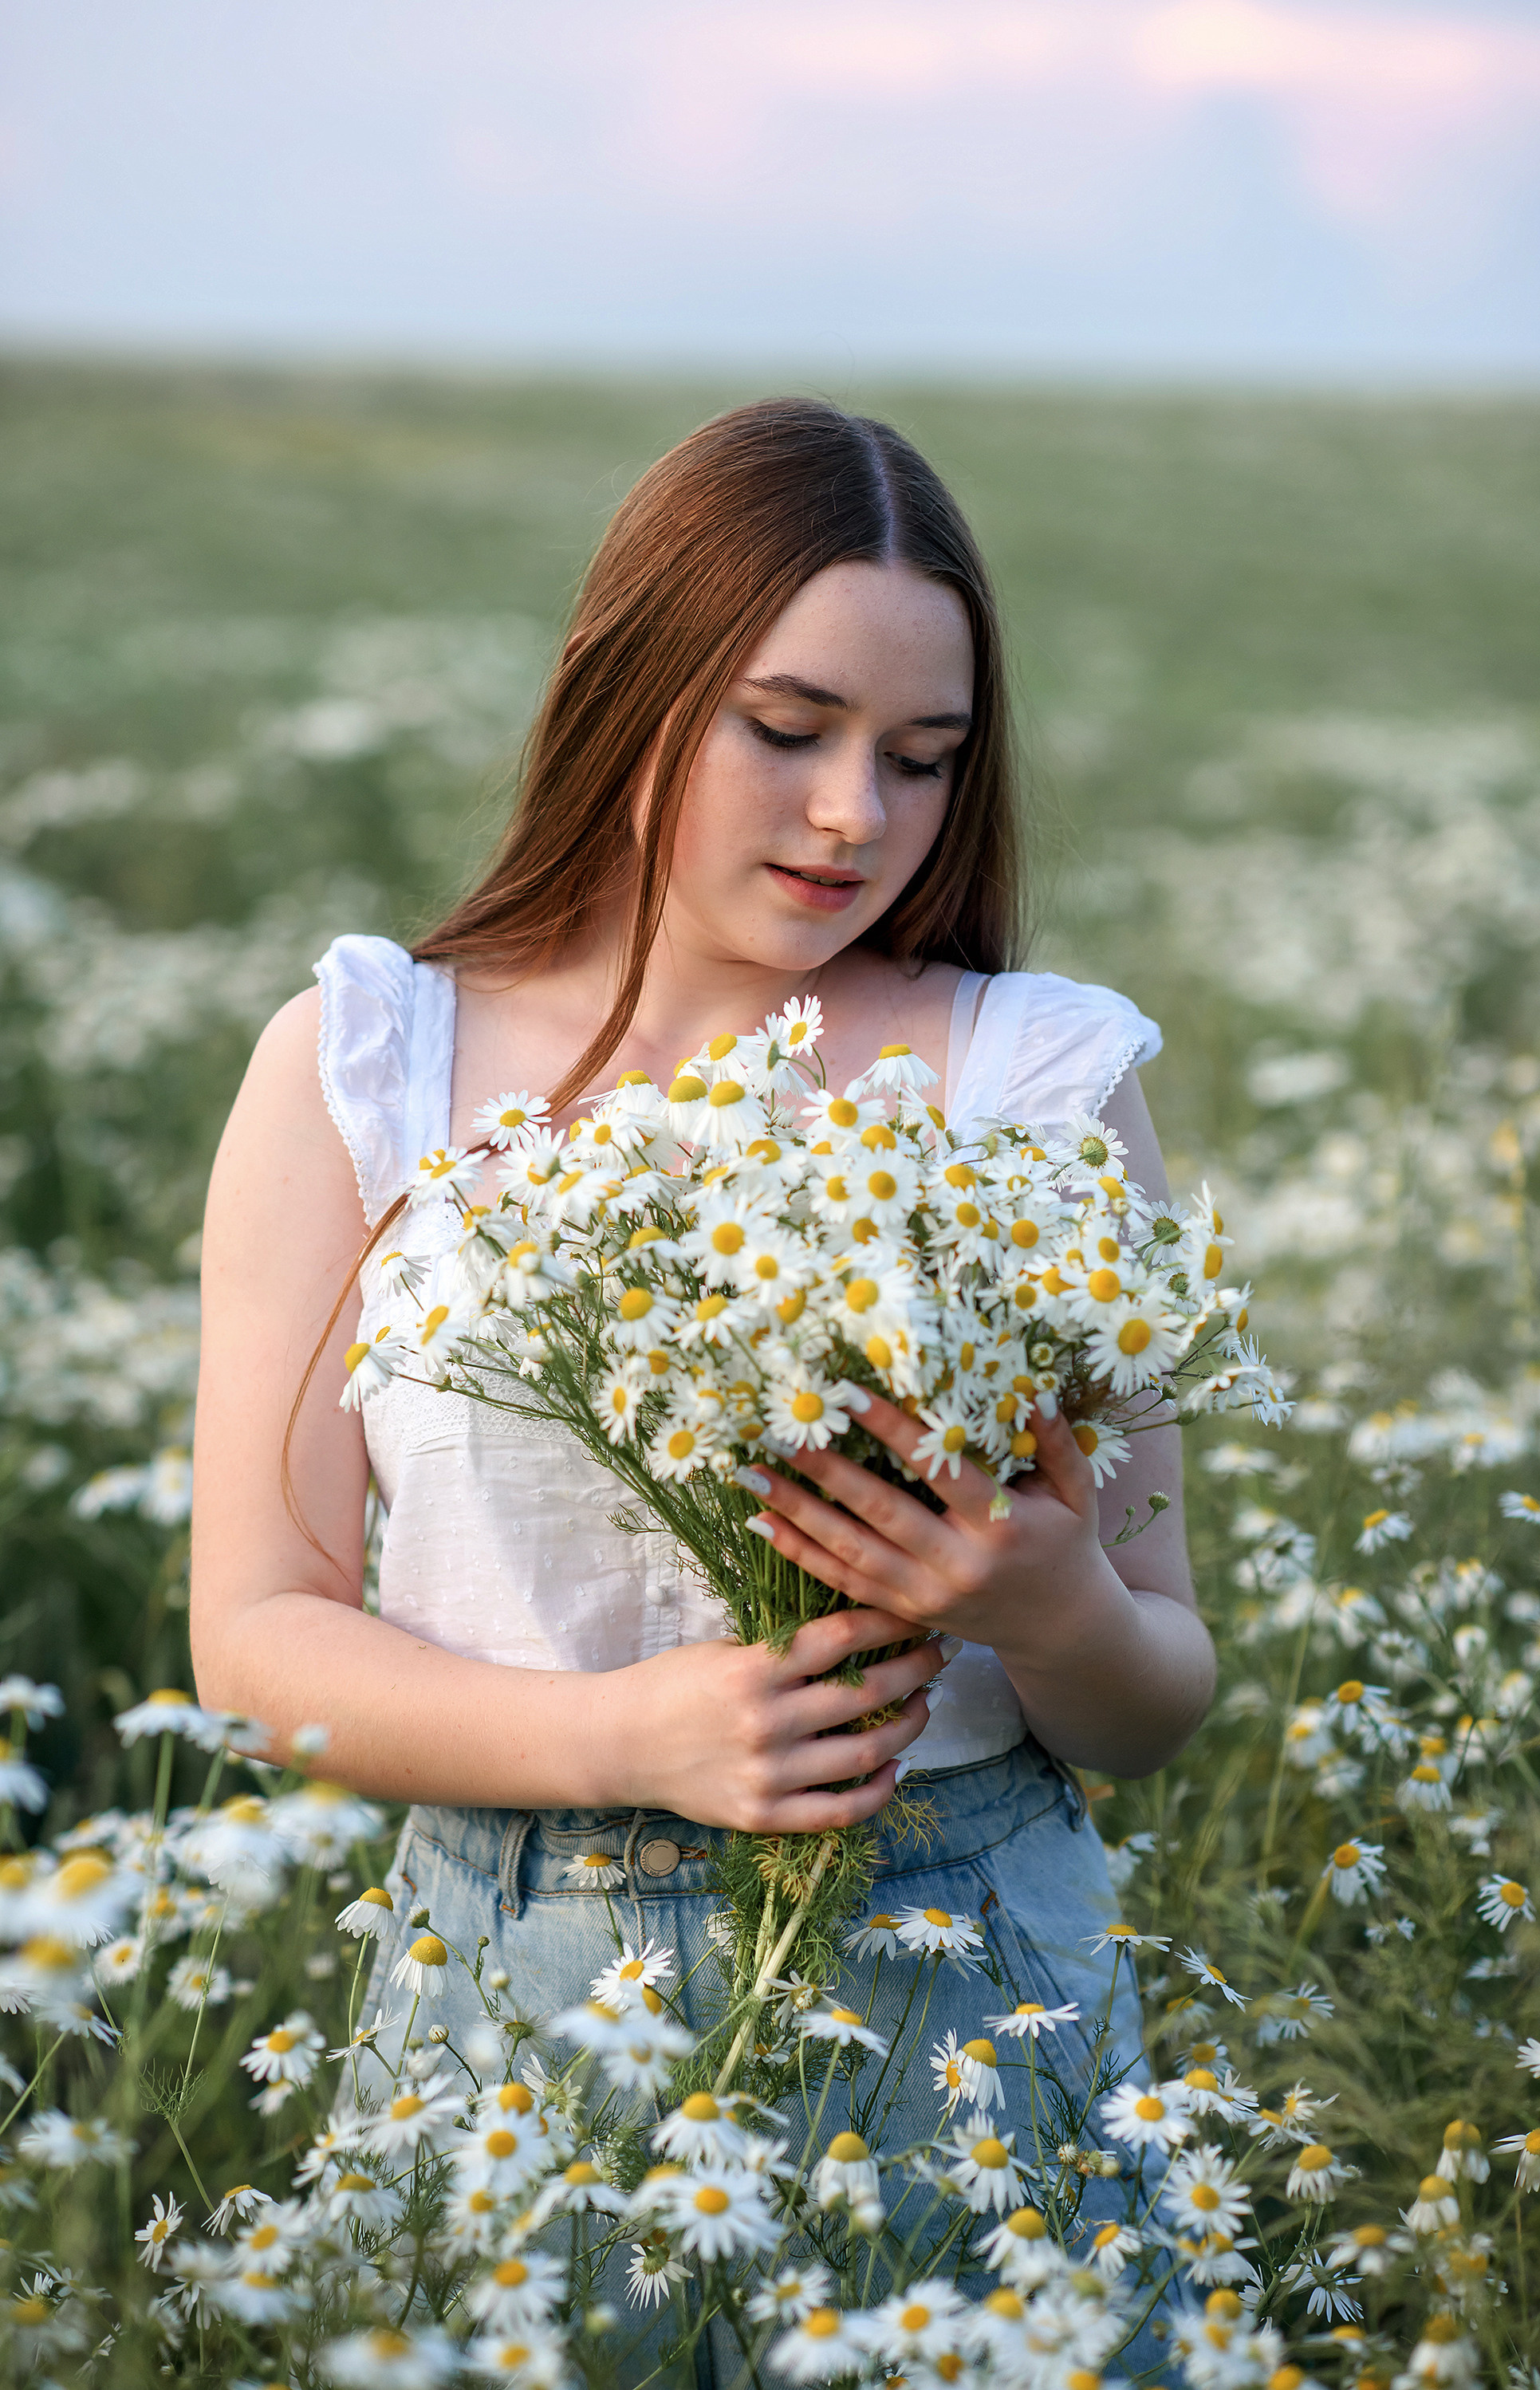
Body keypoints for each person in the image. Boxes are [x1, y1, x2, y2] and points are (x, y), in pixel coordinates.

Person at [191, 396, 1213, 2357]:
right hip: (503, 2002)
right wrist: (626, 1739)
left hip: (969, 1991)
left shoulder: (1038, 1079)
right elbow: (255, 1631)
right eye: (787, 727)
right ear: (631, 684)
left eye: (922, 760)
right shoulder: (366, 1065)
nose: (855, 816)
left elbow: (1157, 1686)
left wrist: (1045, 1597)